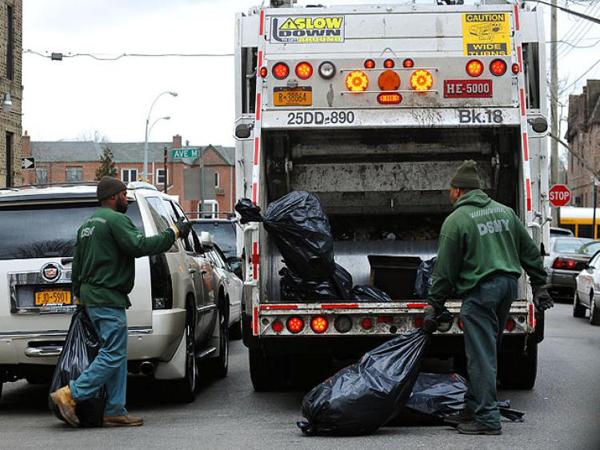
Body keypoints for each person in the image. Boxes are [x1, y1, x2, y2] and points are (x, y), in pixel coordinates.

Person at [50, 176, 191, 428]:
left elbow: (78, 264)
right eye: (124, 194)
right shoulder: (116, 220)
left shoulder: (87, 225)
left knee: (115, 353)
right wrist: (174, 232)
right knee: (113, 352)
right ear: (113, 197)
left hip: (93, 297)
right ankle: (71, 393)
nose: (127, 199)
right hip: (107, 297)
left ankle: (115, 409)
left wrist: (79, 298)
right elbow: (139, 245)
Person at [424, 160, 552, 436]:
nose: (449, 193)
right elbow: (529, 250)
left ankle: (487, 419)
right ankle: (472, 408)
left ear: (459, 191)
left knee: (480, 356)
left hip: (481, 292)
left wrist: (434, 304)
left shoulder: (456, 220)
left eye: (450, 189)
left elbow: (445, 270)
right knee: (488, 350)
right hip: (507, 286)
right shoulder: (505, 213)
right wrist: (539, 286)